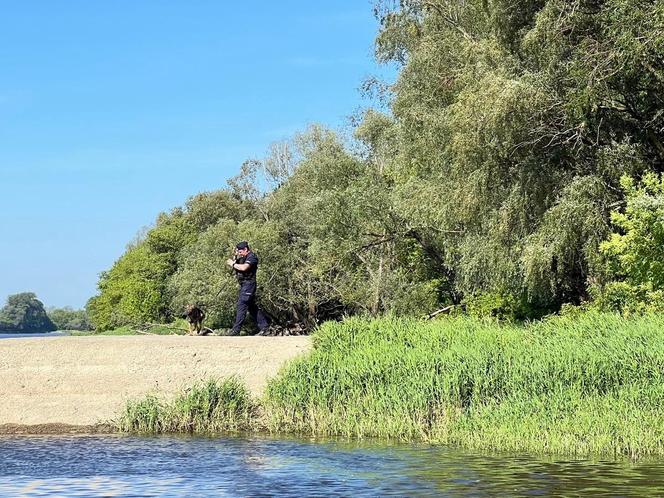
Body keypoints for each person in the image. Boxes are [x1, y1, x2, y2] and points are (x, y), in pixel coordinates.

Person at [225, 241, 269, 336]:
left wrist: (232, 264)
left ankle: (236, 330)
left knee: (242, 305)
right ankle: (265, 327)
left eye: (240, 251)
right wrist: (235, 258)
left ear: (245, 249)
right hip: (244, 285)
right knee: (252, 307)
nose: (239, 253)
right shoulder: (242, 258)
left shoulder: (252, 257)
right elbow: (237, 268)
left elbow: (244, 268)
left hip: (249, 285)